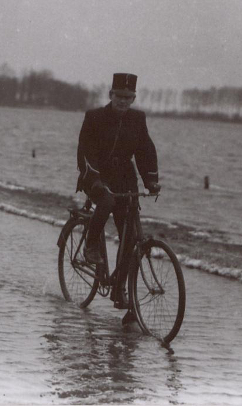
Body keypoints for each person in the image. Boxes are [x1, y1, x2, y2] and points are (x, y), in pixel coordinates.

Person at [76, 73, 160, 313]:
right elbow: (85, 151)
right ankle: (91, 245)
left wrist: (151, 181)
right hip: (96, 175)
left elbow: (145, 151)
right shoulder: (94, 117)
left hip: (125, 178)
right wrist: (95, 179)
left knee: (131, 237)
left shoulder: (137, 118)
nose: (123, 101)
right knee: (106, 201)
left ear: (133, 98)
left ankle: (119, 287)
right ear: (110, 95)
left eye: (128, 97)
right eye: (119, 96)